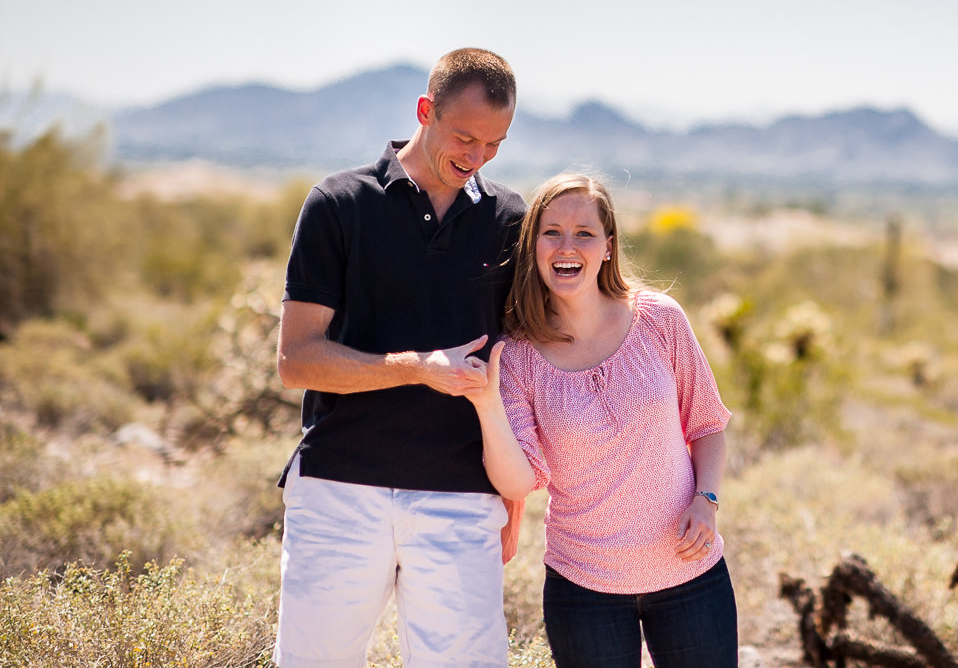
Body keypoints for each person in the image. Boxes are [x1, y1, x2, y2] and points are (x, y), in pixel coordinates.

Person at [274, 47, 526, 668]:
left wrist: (513, 498)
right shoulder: (339, 204)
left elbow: (520, 368)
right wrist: (418, 367)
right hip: (339, 487)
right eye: (465, 137)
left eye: (494, 145)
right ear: (424, 111)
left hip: (461, 496)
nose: (476, 159)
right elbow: (297, 360)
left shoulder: (510, 220)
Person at [463, 173, 737, 668]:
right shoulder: (520, 356)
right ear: (533, 245)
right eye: (552, 232)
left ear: (608, 246)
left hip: (690, 574)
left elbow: (707, 424)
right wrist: (486, 405)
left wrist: (707, 499)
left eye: (584, 233)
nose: (567, 246)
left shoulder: (660, 319)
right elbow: (519, 480)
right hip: (583, 590)